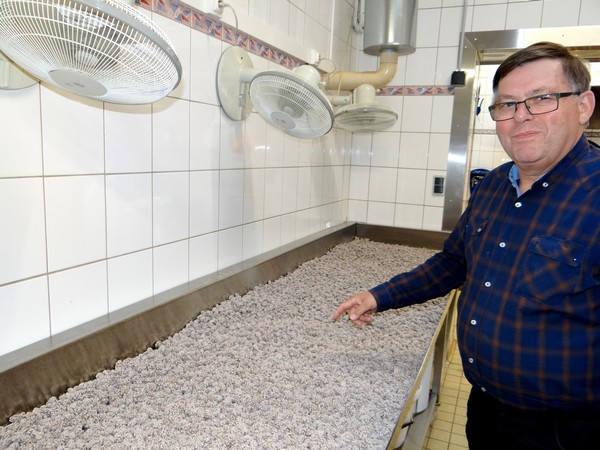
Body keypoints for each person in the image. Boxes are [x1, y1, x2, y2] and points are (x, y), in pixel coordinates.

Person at [332, 41, 600, 450]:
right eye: (507, 104)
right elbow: (453, 263)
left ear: (583, 106)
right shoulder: (494, 185)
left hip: (567, 431)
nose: (521, 116)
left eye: (542, 99)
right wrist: (379, 295)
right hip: (488, 409)